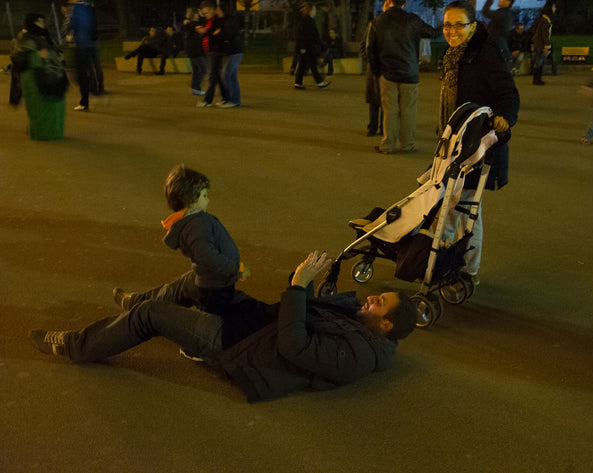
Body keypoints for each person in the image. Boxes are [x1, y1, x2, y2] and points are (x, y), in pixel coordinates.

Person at [29, 251, 418, 402]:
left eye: (378, 302)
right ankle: (142, 300)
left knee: (151, 319)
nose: (369, 298)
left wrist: (299, 287)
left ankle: (77, 345)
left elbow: (294, 348)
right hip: (257, 322)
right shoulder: (360, 324)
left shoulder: (358, 356)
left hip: (243, 348)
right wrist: (307, 279)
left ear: (385, 324)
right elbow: (307, 312)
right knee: (204, 280)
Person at [438, 0, 520, 285]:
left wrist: (504, 118)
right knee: (449, 206)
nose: (452, 30)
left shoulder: (484, 54)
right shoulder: (454, 56)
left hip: (477, 146)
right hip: (455, 144)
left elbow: (508, 93)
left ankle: (467, 272)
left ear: (472, 26)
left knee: (468, 211)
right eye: (447, 24)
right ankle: (443, 262)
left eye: (459, 24)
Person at [113, 164, 243, 317]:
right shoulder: (198, 224)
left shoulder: (191, 221)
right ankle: (145, 315)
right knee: (212, 323)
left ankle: (136, 302)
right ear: (191, 199)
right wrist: (237, 269)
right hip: (214, 288)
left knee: (178, 288)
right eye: (204, 196)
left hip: (208, 280)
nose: (208, 200)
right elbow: (208, 257)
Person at [366, 0, 439, 154]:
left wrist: (376, 70)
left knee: (390, 111)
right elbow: (433, 33)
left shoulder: (377, 22)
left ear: (389, 2)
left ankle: (387, 145)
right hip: (410, 72)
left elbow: (369, 49)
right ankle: (407, 144)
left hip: (387, 73)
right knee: (409, 110)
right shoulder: (412, 20)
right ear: (404, 3)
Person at [11, 13, 69, 141]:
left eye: (42, 21)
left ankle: (55, 132)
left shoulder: (46, 36)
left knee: (56, 107)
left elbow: (55, 52)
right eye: (38, 22)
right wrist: (37, 56)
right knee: (39, 109)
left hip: (54, 79)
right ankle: (40, 133)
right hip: (34, 80)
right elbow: (18, 59)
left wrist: (58, 58)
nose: (41, 24)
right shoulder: (24, 39)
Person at [65, 0, 103, 111]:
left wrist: (69, 32)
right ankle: (89, 93)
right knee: (87, 69)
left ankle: (84, 101)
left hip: (81, 44)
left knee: (80, 73)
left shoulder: (78, 8)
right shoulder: (89, 8)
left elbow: (73, 23)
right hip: (89, 43)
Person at [195, 0, 226, 107]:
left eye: (207, 12)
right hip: (210, 52)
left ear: (214, 10)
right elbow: (208, 32)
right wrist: (203, 30)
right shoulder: (208, 21)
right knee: (216, 77)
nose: (205, 15)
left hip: (216, 52)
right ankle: (226, 97)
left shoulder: (216, 20)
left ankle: (207, 101)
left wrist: (205, 31)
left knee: (212, 76)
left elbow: (213, 32)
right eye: (204, 13)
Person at [215, 3, 245, 108]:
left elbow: (228, 34)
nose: (216, 11)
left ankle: (235, 101)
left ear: (223, 10)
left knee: (228, 75)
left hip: (234, 51)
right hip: (231, 51)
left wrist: (219, 33)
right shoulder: (225, 20)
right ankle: (228, 99)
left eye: (218, 9)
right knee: (229, 76)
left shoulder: (231, 20)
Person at [294, 3, 330, 90]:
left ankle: (298, 83)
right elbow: (304, 35)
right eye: (314, 10)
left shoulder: (306, 20)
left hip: (306, 47)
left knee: (303, 65)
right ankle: (320, 82)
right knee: (312, 65)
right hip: (307, 47)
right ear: (310, 11)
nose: (315, 12)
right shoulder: (307, 21)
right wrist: (303, 47)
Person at [361, 20, 383, 136]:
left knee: (378, 100)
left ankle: (376, 128)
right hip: (379, 67)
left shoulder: (372, 26)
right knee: (377, 100)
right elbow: (364, 47)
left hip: (376, 67)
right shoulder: (374, 26)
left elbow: (364, 47)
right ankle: (375, 127)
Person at [481, 0, 515, 69]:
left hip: (498, 47)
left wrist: (489, 1)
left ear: (508, 2)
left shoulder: (504, 14)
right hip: (498, 47)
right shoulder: (503, 13)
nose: (499, 1)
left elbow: (485, 12)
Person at [530, 0, 555, 85]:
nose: (554, 8)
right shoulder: (546, 19)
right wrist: (547, 45)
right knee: (539, 61)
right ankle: (536, 80)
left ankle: (537, 79)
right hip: (540, 43)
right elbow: (544, 33)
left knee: (539, 60)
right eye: (553, 7)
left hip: (538, 42)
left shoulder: (543, 18)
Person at [183, 7, 207, 96]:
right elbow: (203, 29)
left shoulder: (190, 24)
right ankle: (194, 86)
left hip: (193, 51)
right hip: (195, 51)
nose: (199, 15)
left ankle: (195, 89)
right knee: (204, 69)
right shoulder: (192, 24)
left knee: (196, 70)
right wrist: (203, 16)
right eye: (197, 14)